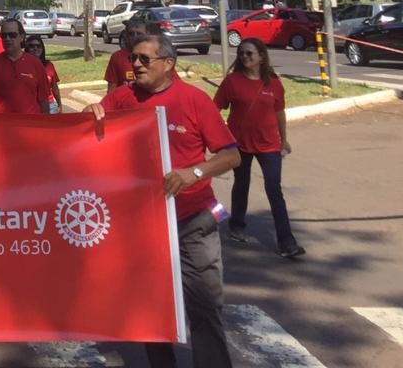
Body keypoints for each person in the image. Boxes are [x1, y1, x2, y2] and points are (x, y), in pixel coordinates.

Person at [86, 32, 240, 368]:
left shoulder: (194, 100)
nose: (136, 65)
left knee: (205, 305)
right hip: (143, 224)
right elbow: (87, 129)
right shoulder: (123, 97)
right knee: (151, 308)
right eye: (133, 58)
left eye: (145, 59)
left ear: (168, 63)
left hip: (193, 220)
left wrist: (193, 173)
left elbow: (231, 156)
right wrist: (91, 111)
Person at [213, 38, 305, 259]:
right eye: (241, 53)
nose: (245, 57)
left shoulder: (273, 83)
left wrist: (284, 139)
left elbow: (279, 112)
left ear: (261, 57)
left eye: (249, 53)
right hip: (240, 144)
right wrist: (219, 137)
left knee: (274, 190)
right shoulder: (232, 82)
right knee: (242, 183)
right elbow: (215, 109)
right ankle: (237, 225)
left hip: (269, 144)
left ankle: (287, 242)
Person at [0, 18, 50, 114]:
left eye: (12, 35)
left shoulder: (35, 64)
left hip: (28, 122)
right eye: (4, 36)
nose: (7, 39)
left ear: (21, 37)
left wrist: (44, 121)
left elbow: (43, 99)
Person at [104, 20, 146, 94]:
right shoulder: (117, 57)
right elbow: (111, 90)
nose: (135, 37)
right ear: (126, 36)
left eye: (139, 34)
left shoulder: (156, 56)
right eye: (131, 34)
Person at [25, 36, 62, 113]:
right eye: (32, 46)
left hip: (50, 105)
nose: (35, 48)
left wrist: (59, 104)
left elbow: (54, 87)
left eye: (38, 46)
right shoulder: (22, 66)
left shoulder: (49, 65)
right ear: (27, 48)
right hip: (31, 106)